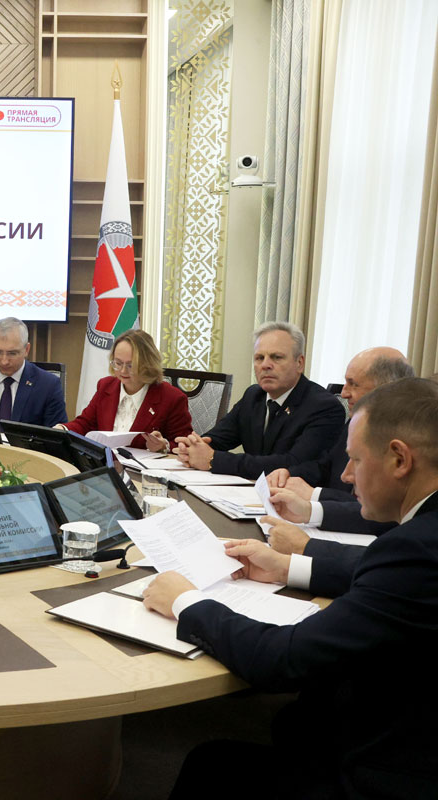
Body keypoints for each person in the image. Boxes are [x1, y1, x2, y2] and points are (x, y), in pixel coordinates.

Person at [145, 377, 438, 799]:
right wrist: (288, 568)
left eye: (356, 459)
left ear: (399, 459)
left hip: (395, 770)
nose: (346, 474)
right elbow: (379, 575)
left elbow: (281, 660)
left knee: (210, 767)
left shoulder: (414, 549)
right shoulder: (419, 539)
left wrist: (186, 601)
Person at [262, 348, 413, 547]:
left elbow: (386, 513)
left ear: (386, 388)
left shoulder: (409, 438)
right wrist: (288, 475)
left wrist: (314, 497)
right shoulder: (357, 422)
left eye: (353, 384)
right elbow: (326, 465)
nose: (343, 393)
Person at [173, 321, 344, 479]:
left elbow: (293, 464)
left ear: (299, 363)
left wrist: (213, 459)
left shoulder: (324, 407)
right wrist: (193, 446)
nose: (265, 365)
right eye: (259, 358)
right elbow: (219, 438)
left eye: (277, 357)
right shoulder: (254, 395)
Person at [57, 329, 191, 451]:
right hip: (106, 464)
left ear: (148, 364)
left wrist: (164, 446)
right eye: (118, 363)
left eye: (130, 365)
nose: (122, 371)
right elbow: (85, 423)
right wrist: (62, 429)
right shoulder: (106, 386)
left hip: (143, 468)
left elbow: (185, 445)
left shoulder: (172, 398)